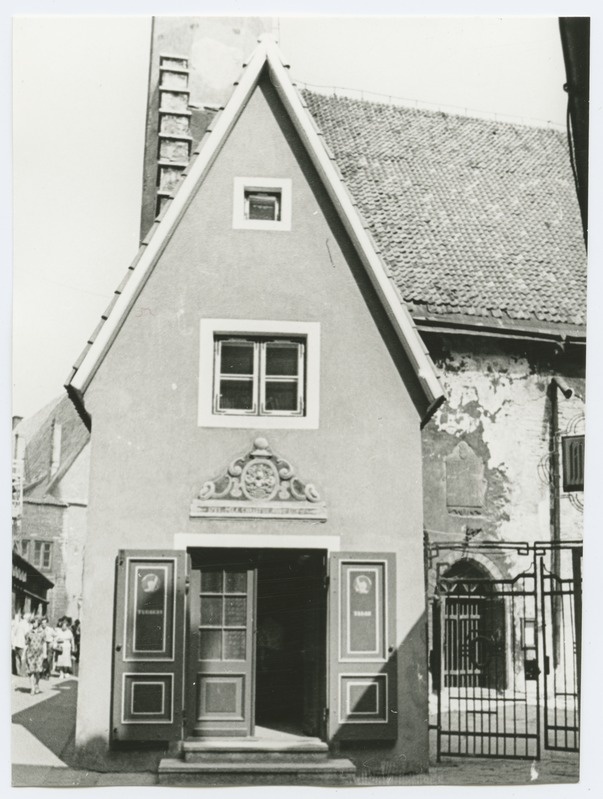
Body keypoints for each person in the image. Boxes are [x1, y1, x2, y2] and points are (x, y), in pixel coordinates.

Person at [24, 617, 46, 695]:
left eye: (35, 622)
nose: (33, 624)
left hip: (39, 654)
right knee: (31, 671)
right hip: (30, 654)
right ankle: (32, 688)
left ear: (39, 623)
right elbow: (26, 644)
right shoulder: (28, 633)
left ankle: (37, 684)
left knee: (38, 672)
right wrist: (24, 655)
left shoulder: (42, 632)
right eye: (32, 622)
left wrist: (45, 654)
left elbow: (44, 643)